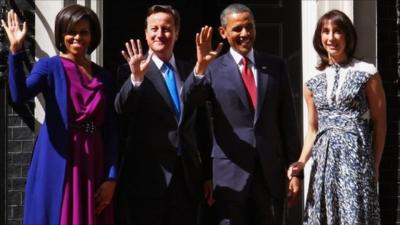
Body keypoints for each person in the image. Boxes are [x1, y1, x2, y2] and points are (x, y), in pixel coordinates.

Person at [183, 3, 302, 225]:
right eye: (237, 29)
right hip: (230, 174)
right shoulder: (213, 68)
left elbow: (287, 122)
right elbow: (188, 103)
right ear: (223, 32)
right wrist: (199, 68)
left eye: (250, 27)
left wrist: (295, 171)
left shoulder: (275, 66)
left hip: (270, 175)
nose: (245, 34)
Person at [3, 4, 118, 225]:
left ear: (92, 35)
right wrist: (15, 53)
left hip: (94, 160)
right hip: (58, 160)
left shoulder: (105, 76)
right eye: (71, 32)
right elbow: (19, 95)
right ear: (61, 34)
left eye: (84, 32)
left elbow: (111, 130)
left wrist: (111, 176)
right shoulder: (49, 67)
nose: (77, 37)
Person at [287, 9, 386, 224]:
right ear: (319, 37)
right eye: (326, 31)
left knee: (355, 217)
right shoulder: (312, 79)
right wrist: (301, 162)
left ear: (347, 36)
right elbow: (313, 128)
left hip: (356, 160)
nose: (331, 38)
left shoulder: (367, 72)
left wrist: (374, 165)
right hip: (324, 162)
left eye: (337, 31)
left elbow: (380, 123)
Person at [114, 5, 210, 225]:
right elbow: (121, 111)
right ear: (146, 34)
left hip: (186, 177)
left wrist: (207, 174)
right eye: (154, 29)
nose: (160, 34)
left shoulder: (190, 70)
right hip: (148, 176)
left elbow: (201, 123)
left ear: (176, 33)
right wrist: (136, 79)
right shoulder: (129, 71)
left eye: (166, 29)